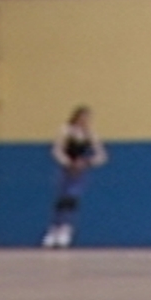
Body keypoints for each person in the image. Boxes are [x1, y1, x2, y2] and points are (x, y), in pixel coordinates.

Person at [42, 105, 107, 249]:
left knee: (72, 198)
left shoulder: (90, 134)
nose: (85, 120)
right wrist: (68, 163)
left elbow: (102, 155)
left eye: (87, 118)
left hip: (80, 171)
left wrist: (88, 162)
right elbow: (57, 150)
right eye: (82, 117)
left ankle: (66, 229)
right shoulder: (66, 131)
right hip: (66, 170)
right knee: (62, 198)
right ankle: (54, 230)